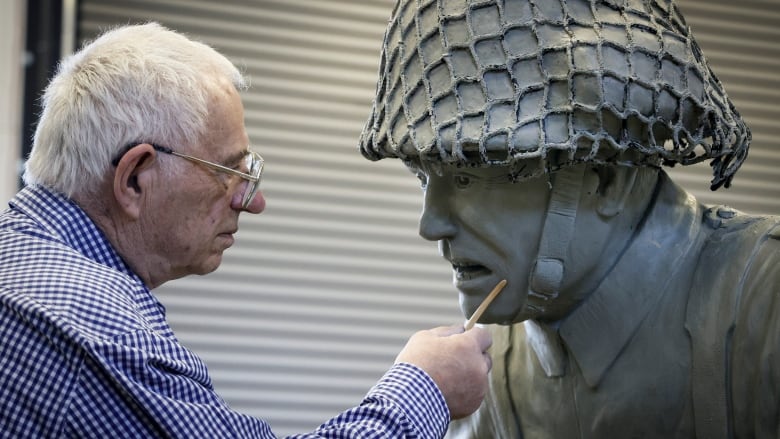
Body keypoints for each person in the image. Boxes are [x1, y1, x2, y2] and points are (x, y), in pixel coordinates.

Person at [0, 22, 494, 438]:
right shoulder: (84, 324)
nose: (252, 201)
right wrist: (425, 387)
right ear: (134, 178)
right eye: (229, 172)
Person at [358, 0, 780, 438]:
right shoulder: (490, 372)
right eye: (425, 179)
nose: (430, 227)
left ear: (604, 180)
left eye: (466, 178)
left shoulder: (765, 307)